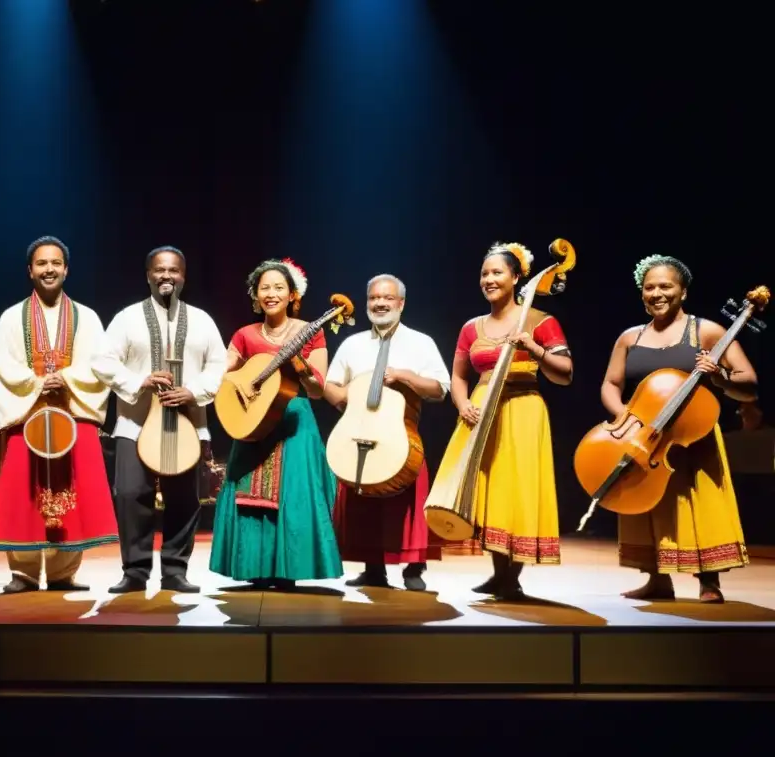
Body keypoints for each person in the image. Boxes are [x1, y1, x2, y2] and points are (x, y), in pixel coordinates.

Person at [599, 254, 755, 603]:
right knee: (647, 501)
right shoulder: (629, 337)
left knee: (698, 501)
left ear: (683, 291)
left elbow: (749, 383)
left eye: (666, 286)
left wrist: (719, 376)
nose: (657, 293)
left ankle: (708, 581)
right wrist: (624, 415)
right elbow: (611, 383)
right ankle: (657, 580)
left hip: (693, 436)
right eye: (649, 287)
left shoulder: (709, 331)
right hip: (647, 434)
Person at [427, 242, 573, 599]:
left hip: (523, 409)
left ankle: (513, 574)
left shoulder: (540, 320)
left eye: (497, 272)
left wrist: (533, 347)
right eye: (485, 273)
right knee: (487, 489)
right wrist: (462, 405)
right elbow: (459, 376)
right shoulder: (471, 327)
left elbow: (565, 373)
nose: (489, 279)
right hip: (479, 410)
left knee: (516, 487)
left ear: (517, 277)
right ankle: (498, 573)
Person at [90, 246, 227, 594]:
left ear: (184, 276)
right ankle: (135, 571)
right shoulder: (127, 318)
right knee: (132, 494)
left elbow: (219, 366)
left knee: (184, 498)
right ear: (148, 274)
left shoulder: (202, 320)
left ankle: (175, 571)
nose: (167, 276)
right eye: (159, 269)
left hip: (187, 424)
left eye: (174, 270)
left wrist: (193, 391)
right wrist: (140, 382)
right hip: (134, 426)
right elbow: (103, 361)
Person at [0, 236, 117, 594]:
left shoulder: (86, 317)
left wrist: (68, 379)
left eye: (55, 263)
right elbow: (2, 366)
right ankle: (24, 574)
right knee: (23, 491)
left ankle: (63, 573)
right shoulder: (12, 317)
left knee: (70, 492)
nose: (49, 269)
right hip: (28, 412)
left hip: (72, 414)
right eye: (41, 263)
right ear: (30, 270)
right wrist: (34, 383)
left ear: (66, 269)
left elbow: (99, 364)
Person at [209, 258, 343, 589]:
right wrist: (237, 384)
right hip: (252, 420)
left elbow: (316, 389)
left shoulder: (310, 331)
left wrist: (301, 369)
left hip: (294, 423)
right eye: (264, 288)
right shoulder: (244, 335)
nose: (271, 293)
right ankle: (253, 567)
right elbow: (222, 376)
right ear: (255, 296)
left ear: (292, 295)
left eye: (278, 288)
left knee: (294, 494)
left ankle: (289, 569)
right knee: (248, 494)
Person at [324, 274, 452, 591]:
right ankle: (373, 570)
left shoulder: (421, 343)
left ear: (401, 303)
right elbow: (330, 384)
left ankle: (413, 568)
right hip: (361, 432)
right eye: (373, 298)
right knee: (365, 504)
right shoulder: (352, 343)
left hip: (401, 437)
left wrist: (407, 377)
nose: (380, 303)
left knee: (405, 505)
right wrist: (344, 399)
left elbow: (440, 389)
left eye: (388, 298)